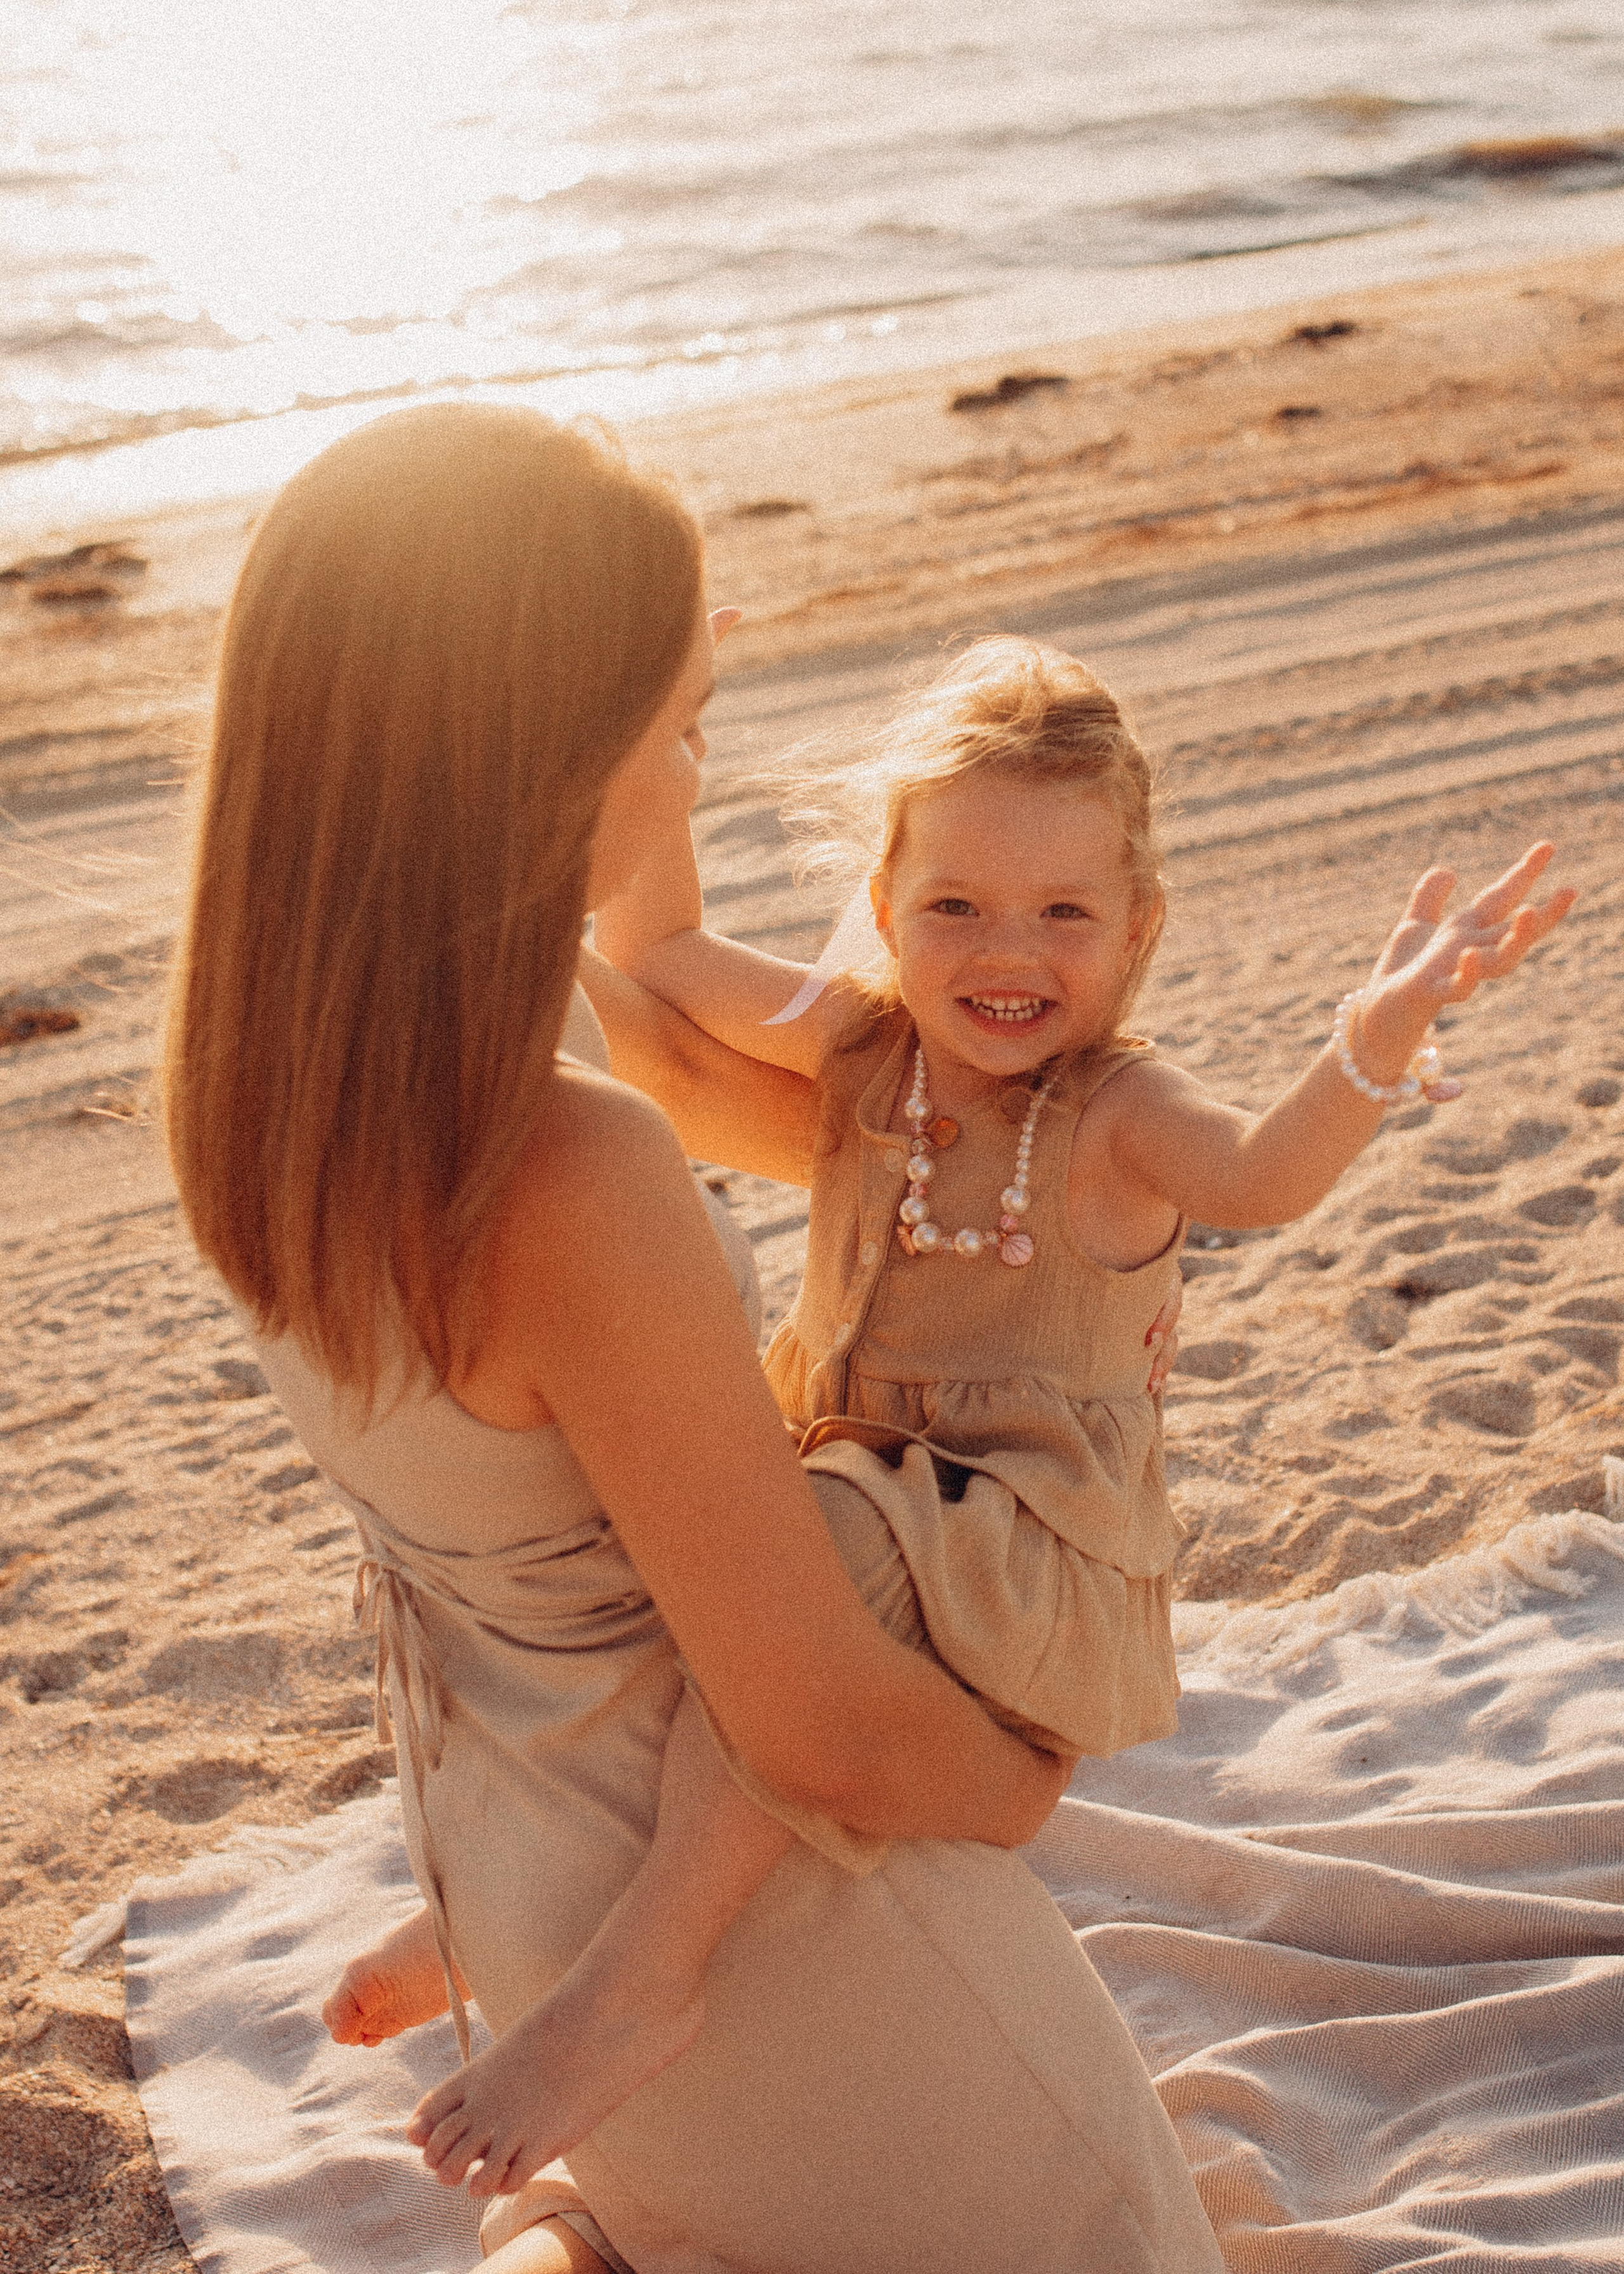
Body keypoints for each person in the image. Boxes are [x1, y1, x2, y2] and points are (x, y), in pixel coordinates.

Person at [163, 401, 1229, 2274]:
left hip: (508, 1867)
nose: (695, 767)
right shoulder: (564, 1169)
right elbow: (817, 1730)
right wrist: (1024, 1776)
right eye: (676, 728)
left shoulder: (256, 1093)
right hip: (756, 1944)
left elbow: (724, 1041)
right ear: (549, 766)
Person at [387, 630, 1573, 2212]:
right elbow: (659, 950)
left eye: (1062, 913)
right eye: (952, 905)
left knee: (799, 1547)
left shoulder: (1116, 1117)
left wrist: (1374, 1036)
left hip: (1018, 1565)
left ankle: (641, 1971)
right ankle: (489, 1897)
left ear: (1137, 930)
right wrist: (656, 715)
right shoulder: (866, 1046)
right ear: (885, 912)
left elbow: (1263, 1179)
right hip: (848, 1495)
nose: (1003, 951)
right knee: (684, 1529)